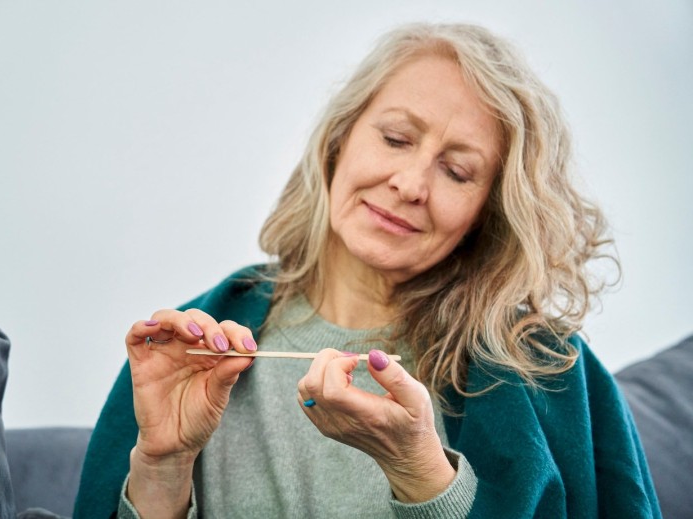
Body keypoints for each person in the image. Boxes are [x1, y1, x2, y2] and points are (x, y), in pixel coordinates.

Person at [74, 23, 660, 518]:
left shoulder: (545, 370)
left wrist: (422, 474)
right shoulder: (199, 342)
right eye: (396, 138)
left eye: (457, 172)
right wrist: (162, 467)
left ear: (488, 213)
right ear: (339, 140)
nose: (410, 184)